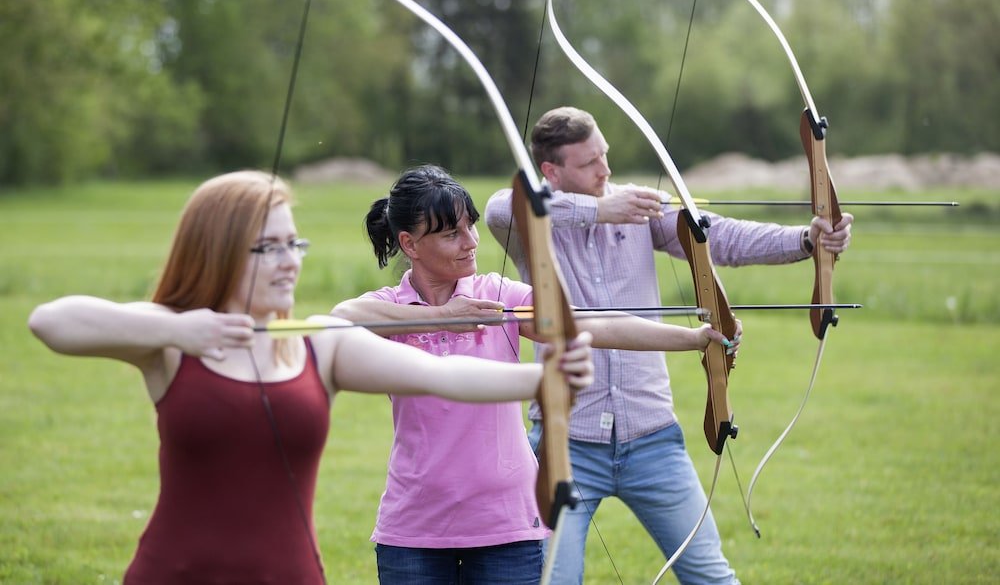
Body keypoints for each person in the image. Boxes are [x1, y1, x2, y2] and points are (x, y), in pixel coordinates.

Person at [27, 169, 597, 585]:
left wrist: (546, 378)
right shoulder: (173, 342)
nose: (290, 260)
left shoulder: (317, 342)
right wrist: (180, 330)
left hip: (290, 572)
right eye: (267, 246)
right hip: (175, 571)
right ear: (220, 249)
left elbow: (441, 375)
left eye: (293, 243)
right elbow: (51, 322)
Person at [484, 106, 855, 585]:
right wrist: (598, 209)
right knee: (553, 579)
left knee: (711, 577)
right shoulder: (529, 221)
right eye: (590, 163)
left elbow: (717, 236)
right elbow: (500, 205)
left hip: (652, 439)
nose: (606, 170)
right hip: (565, 442)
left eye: (605, 155)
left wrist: (806, 239)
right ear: (551, 172)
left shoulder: (640, 208)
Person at [330, 164, 739, 585]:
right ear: (409, 244)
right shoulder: (392, 307)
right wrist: (439, 317)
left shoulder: (498, 296)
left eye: (470, 227)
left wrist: (693, 338)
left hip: (507, 524)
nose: (471, 243)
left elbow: (592, 324)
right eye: (452, 234)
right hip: (413, 528)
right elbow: (340, 319)